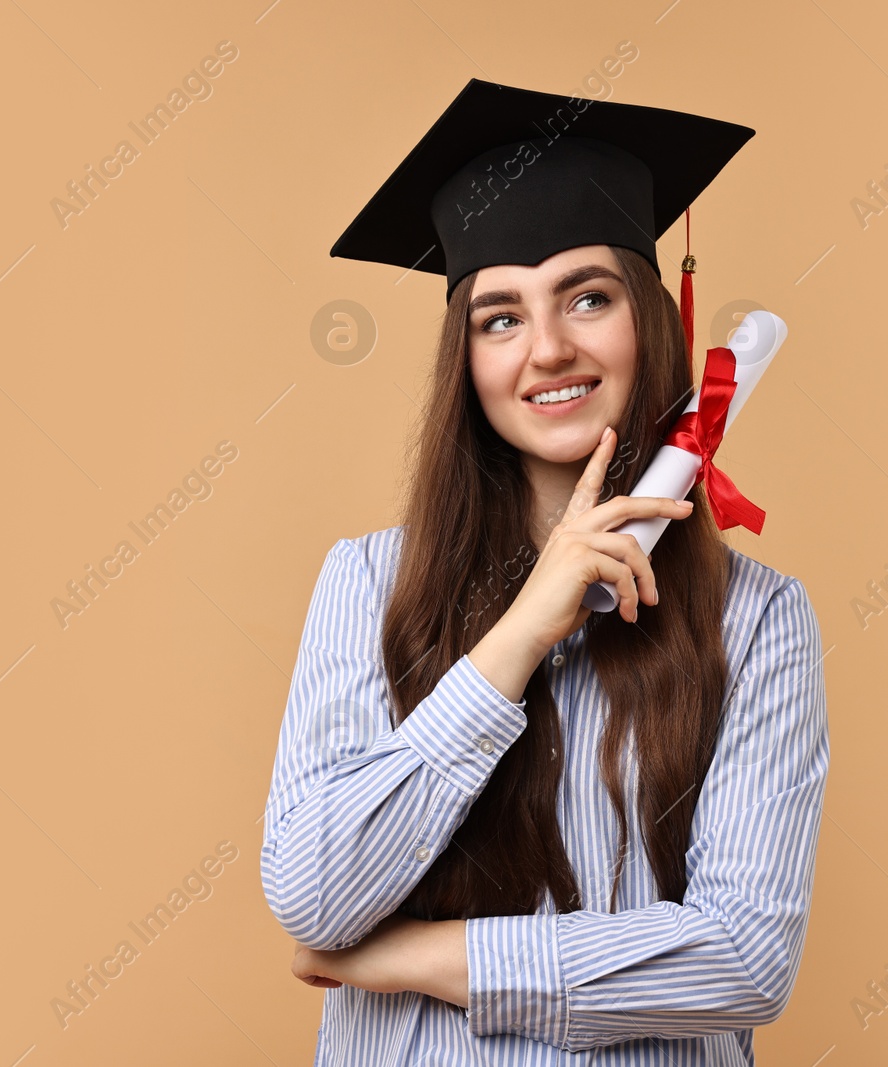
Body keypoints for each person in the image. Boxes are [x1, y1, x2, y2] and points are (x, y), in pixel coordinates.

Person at [260, 78, 829, 1064]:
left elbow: (741, 956)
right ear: (466, 359)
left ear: (650, 317)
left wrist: (419, 956)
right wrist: (520, 633)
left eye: (587, 297)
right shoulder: (368, 584)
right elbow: (313, 891)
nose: (549, 347)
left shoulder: (755, 619)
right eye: (500, 317)